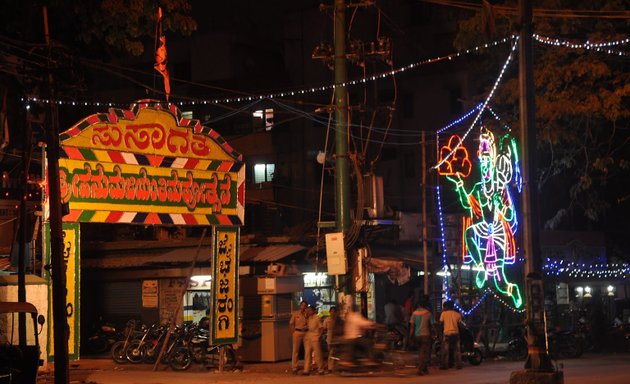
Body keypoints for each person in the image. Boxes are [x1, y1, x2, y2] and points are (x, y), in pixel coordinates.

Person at [342, 301, 376, 366]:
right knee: (369, 342)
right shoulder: (355, 316)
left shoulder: (349, 316)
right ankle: (370, 359)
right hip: (354, 338)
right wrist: (373, 324)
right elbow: (362, 323)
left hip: (349, 337)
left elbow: (361, 325)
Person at [409, 299, 434, 376]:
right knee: (425, 353)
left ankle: (424, 368)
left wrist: (410, 336)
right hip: (426, 335)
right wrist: (436, 333)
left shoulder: (414, 314)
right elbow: (432, 325)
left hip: (417, 335)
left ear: (418, 305)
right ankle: (420, 369)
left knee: (420, 352)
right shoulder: (428, 313)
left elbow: (412, 327)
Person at [439, 300, 463, 370]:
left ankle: (444, 365)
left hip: (447, 334)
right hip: (456, 333)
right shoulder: (457, 314)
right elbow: (460, 324)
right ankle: (458, 365)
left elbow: (440, 324)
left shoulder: (443, 314)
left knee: (446, 351)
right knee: (457, 350)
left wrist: (439, 333)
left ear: (446, 307)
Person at [303, 305, 324, 375]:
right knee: (307, 353)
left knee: (318, 354)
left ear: (313, 311)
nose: (308, 312)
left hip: (315, 336)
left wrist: (319, 336)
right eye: (308, 310)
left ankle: (320, 369)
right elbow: (306, 326)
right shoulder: (308, 318)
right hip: (308, 336)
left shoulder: (317, 318)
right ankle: (306, 369)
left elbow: (321, 327)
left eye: (310, 310)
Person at [289, 300, 309, 374]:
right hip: (297, 332)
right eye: (302, 305)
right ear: (300, 306)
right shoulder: (296, 313)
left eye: (305, 305)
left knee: (307, 351)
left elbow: (310, 322)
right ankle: (294, 367)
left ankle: (307, 367)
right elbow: (291, 323)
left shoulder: (307, 314)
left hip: (306, 333)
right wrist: (293, 332)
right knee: (295, 350)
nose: (303, 307)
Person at [323, 306, 344, 372]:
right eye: (331, 312)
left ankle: (338, 367)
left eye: (334, 312)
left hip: (338, 338)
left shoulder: (339, 320)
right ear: (329, 312)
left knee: (338, 353)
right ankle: (330, 368)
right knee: (331, 353)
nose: (333, 313)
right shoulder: (327, 320)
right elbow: (324, 329)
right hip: (330, 338)